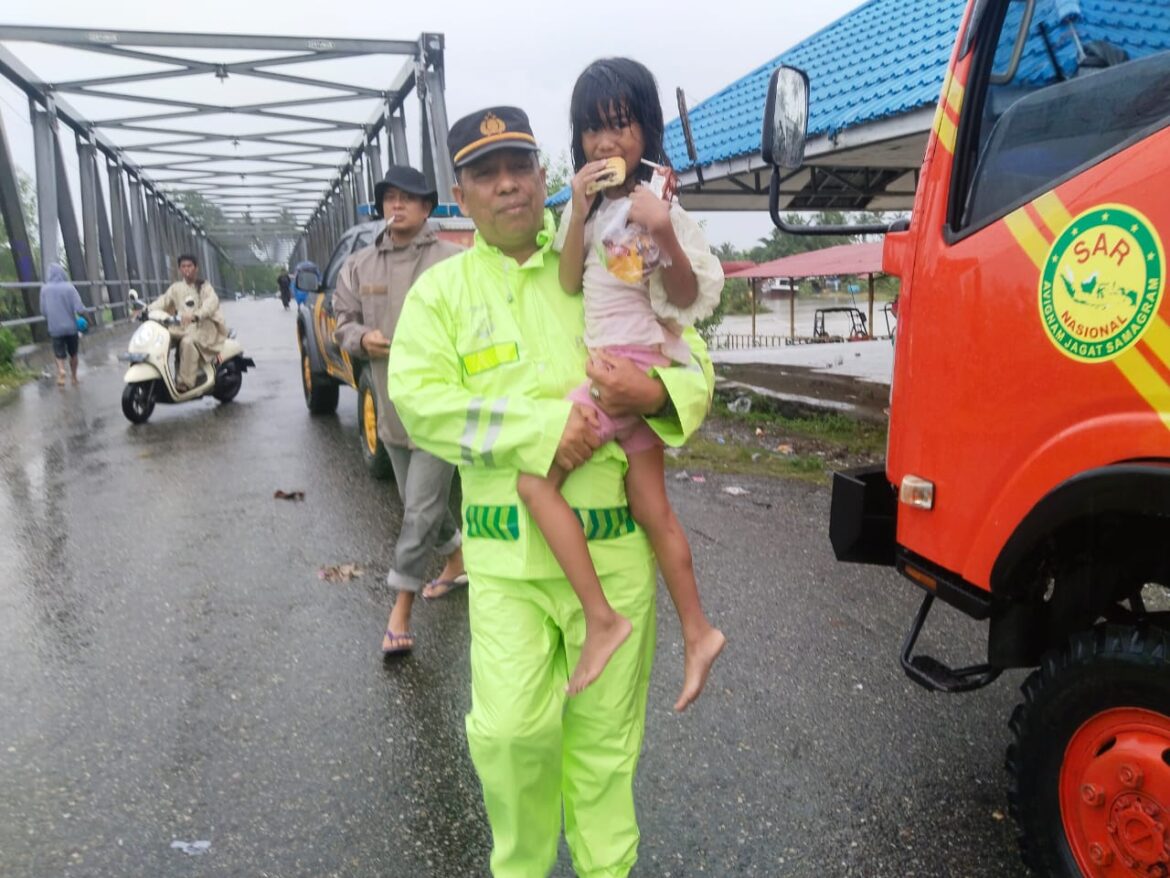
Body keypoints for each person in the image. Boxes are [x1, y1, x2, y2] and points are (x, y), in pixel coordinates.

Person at [387, 106, 714, 878]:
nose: (508, 186)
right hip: (505, 562)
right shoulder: (443, 295)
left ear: (545, 178)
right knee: (508, 737)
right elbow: (417, 398)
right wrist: (540, 431)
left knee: (605, 751)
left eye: (520, 168)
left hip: (615, 559)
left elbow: (691, 349)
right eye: (485, 175)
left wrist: (657, 392)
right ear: (460, 198)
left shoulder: (603, 255)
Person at [518, 57, 726, 708]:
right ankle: (699, 631)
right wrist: (578, 211)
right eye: (592, 130)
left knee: (532, 480)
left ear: (647, 129)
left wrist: (662, 228)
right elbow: (568, 280)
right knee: (652, 509)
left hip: (630, 365)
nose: (605, 143)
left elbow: (689, 298)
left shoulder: (656, 200)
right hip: (629, 364)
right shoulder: (595, 205)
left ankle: (601, 618)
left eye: (621, 125)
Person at [333, 165, 467, 656]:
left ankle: (400, 611)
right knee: (420, 504)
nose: (397, 205)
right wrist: (360, 337)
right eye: (390, 197)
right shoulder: (361, 265)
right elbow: (340, 321)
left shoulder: (454, 261)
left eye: (408, 198)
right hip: (389, 408)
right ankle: (456, 559)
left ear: (427, 207)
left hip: (440, 408)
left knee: (420, 510)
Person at [149, 254, 227, 393]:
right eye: (183, 266)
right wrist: (145, 310)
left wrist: (196, 315)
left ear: (196, 268)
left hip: (202, 327)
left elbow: (211, 303)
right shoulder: (176, 288)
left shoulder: (204, 286)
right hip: (181, 327)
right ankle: (157, 377)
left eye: (190, 266)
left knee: (187, 342)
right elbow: (162, 301)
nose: (187, 270)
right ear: (179, 269)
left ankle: (185, 383)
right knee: (160, 339)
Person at [39, 263, 87, 387]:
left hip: (55, 328)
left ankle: (61, 369)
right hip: (71, 328)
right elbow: (79, 308)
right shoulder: (69, 287)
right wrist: (88, 320)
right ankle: (74, 378)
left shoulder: (44, 289)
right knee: (74, 354)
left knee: (58, 353)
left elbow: (43, 311)